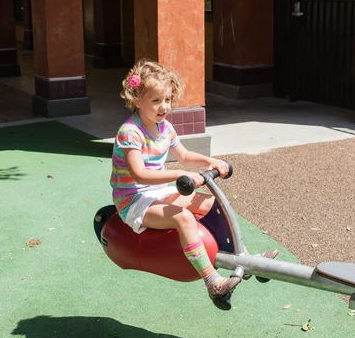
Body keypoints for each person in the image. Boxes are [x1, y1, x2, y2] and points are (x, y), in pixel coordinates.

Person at [110, 58, 277, 303]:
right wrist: (180, 174)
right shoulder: (130, 132)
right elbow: (139, 174)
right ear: (137, 100)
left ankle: (245, 258)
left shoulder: (164, 127)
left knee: (211, 204)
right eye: (155, 100)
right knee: (183, 217)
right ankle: (212, 281)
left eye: (167, 99)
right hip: (133, 200)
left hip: (156, 193)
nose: (163, 106)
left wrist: (210, 162)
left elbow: (184, 155)